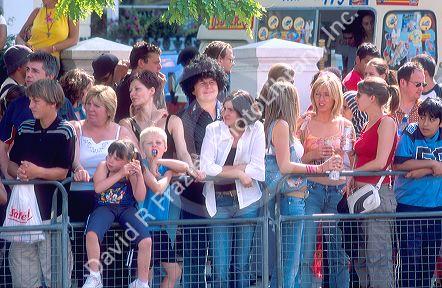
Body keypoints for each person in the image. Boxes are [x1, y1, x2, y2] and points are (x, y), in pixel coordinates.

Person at [264, 81, 342, 288]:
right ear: (290, 101)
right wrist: (318, 167)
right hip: (291, 199)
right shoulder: (281, 125)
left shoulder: (283, 124)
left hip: (294, 198)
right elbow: (284, 165)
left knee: (290, 265)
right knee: (289, 267)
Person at [7, 79, 75, 287]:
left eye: (36, 101)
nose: (30, 105)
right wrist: (19, 171)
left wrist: (37, 172)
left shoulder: (66, 131)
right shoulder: (25, 127)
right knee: (23, 280)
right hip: (22, 217)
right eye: (30, 100)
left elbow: (63, 171)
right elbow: (11, 163)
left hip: (51, 218)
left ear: (53, 102)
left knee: (58, 279)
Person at [200, 90, 265, 287]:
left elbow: (259, 169)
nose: (225, 114)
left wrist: (229, 170)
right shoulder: (214, 129)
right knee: (220, 267)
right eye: (224, 109)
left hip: (247, 201)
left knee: (242, 265)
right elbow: (205, 167)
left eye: (231, 110)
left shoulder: (256, 129)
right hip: (218, 202)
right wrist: (239, 173)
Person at [297, 73, 354, 288]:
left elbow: (352, 161)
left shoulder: (345, 125)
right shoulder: (304, 123)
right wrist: (314, 154)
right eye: (318, 94)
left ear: (335, 98)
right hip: (310, 189)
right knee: (307, 248)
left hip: (337, 191)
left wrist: (345, 172)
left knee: (337, 251)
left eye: (326, 95)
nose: (321, 100)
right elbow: (294, 160)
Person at [179, 54, 227, 287]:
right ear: (193, 88)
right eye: (202, 83)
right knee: (195, 257)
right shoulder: (184, 118)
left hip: (226, 192)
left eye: (212, 82)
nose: (208, 86)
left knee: (223, 260)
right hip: (194, 192)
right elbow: (187, 155)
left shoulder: (231, 113)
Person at [350, 76, 399, 288]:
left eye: (359, 95)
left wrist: (351, 173)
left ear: (371, 97)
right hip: (361, 197)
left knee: (378, 258)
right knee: (362, 257)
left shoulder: (386, 122)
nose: (356, 98)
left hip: (378, 196)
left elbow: (380, 161)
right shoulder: (367, 124)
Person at [82, 140, 151, 288]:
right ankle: (94, 276)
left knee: (146, 241)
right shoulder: (103, 166)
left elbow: (140, 197)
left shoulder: (131, 171)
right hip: (104, 206)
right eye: (109, 155)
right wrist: (120, 173)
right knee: (92, 234)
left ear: (128, 161)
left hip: (127, 208)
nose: (110, 160)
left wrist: (139, 177)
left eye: (117, 158)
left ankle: (142, 282)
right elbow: (98, 188)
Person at [0, 51, 75, 179]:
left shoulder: (64, 104)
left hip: (53, 192)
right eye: (27, 69)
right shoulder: (16, 105)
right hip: (21, 188)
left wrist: (78, 168)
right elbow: (2, 146)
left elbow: (74, 142)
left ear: (50, 77)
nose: (28, 75)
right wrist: (12, 181)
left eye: (35, 71)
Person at [393, 97, 442, 288]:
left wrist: (423, 171)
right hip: (409, 206)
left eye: (431, 119)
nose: (425, 123)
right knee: (409, 262)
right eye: (422, 117)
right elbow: (401, 164)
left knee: (428, 262)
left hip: (435, 208)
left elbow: (413, 169)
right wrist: (432, 165)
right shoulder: (411, 131)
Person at [70, 85, 138, 222]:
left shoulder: (122, 132)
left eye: (96, 105)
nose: (90, 109)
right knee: (79, 241)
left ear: (109, 109)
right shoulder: (75, 127)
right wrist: (78, 168)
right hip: (80, 196)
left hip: (113, 198)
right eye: (88, 103)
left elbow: (137, 159)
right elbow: (73, 158)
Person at [119, 71, 202, 179]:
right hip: (141, 184)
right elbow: (141, 156)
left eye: (137, 89)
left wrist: (192, 171)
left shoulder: (173, 121)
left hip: (168, 184)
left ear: (152, 91)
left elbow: (183, 153)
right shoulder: (126, 124)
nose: (132, 94)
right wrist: (152, 123)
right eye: (130, 91)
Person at [139, 127, 189, 288]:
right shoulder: (141, 166)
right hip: (142, 228)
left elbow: (185, 167)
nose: (154, 146)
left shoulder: (166, 166)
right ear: (141, 147)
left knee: (174, 272)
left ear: (166, 147)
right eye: (149, 143)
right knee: (146, 274)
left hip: (160, 229)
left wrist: (160, 163)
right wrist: (167, 176)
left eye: (158, 143)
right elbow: (157, 188)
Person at [116, 41, 165, 121]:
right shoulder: (128, 87)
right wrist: (158, 90)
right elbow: (148, 118)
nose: (160, 67)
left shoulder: (152, 84)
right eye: (156, 63)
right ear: (141, 63)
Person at [15, 0, 79, 58]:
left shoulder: (71, 12)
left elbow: (74, 39)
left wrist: (49, 49)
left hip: (50, 59)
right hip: (28, 56)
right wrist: (23, 47)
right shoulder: (37, 11)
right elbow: (19, 36)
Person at [394, 61, 425, 133]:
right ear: (403, 83)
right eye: (417, 84)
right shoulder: (388, 109)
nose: (421, 88)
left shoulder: (425, 110)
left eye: (423, 84)